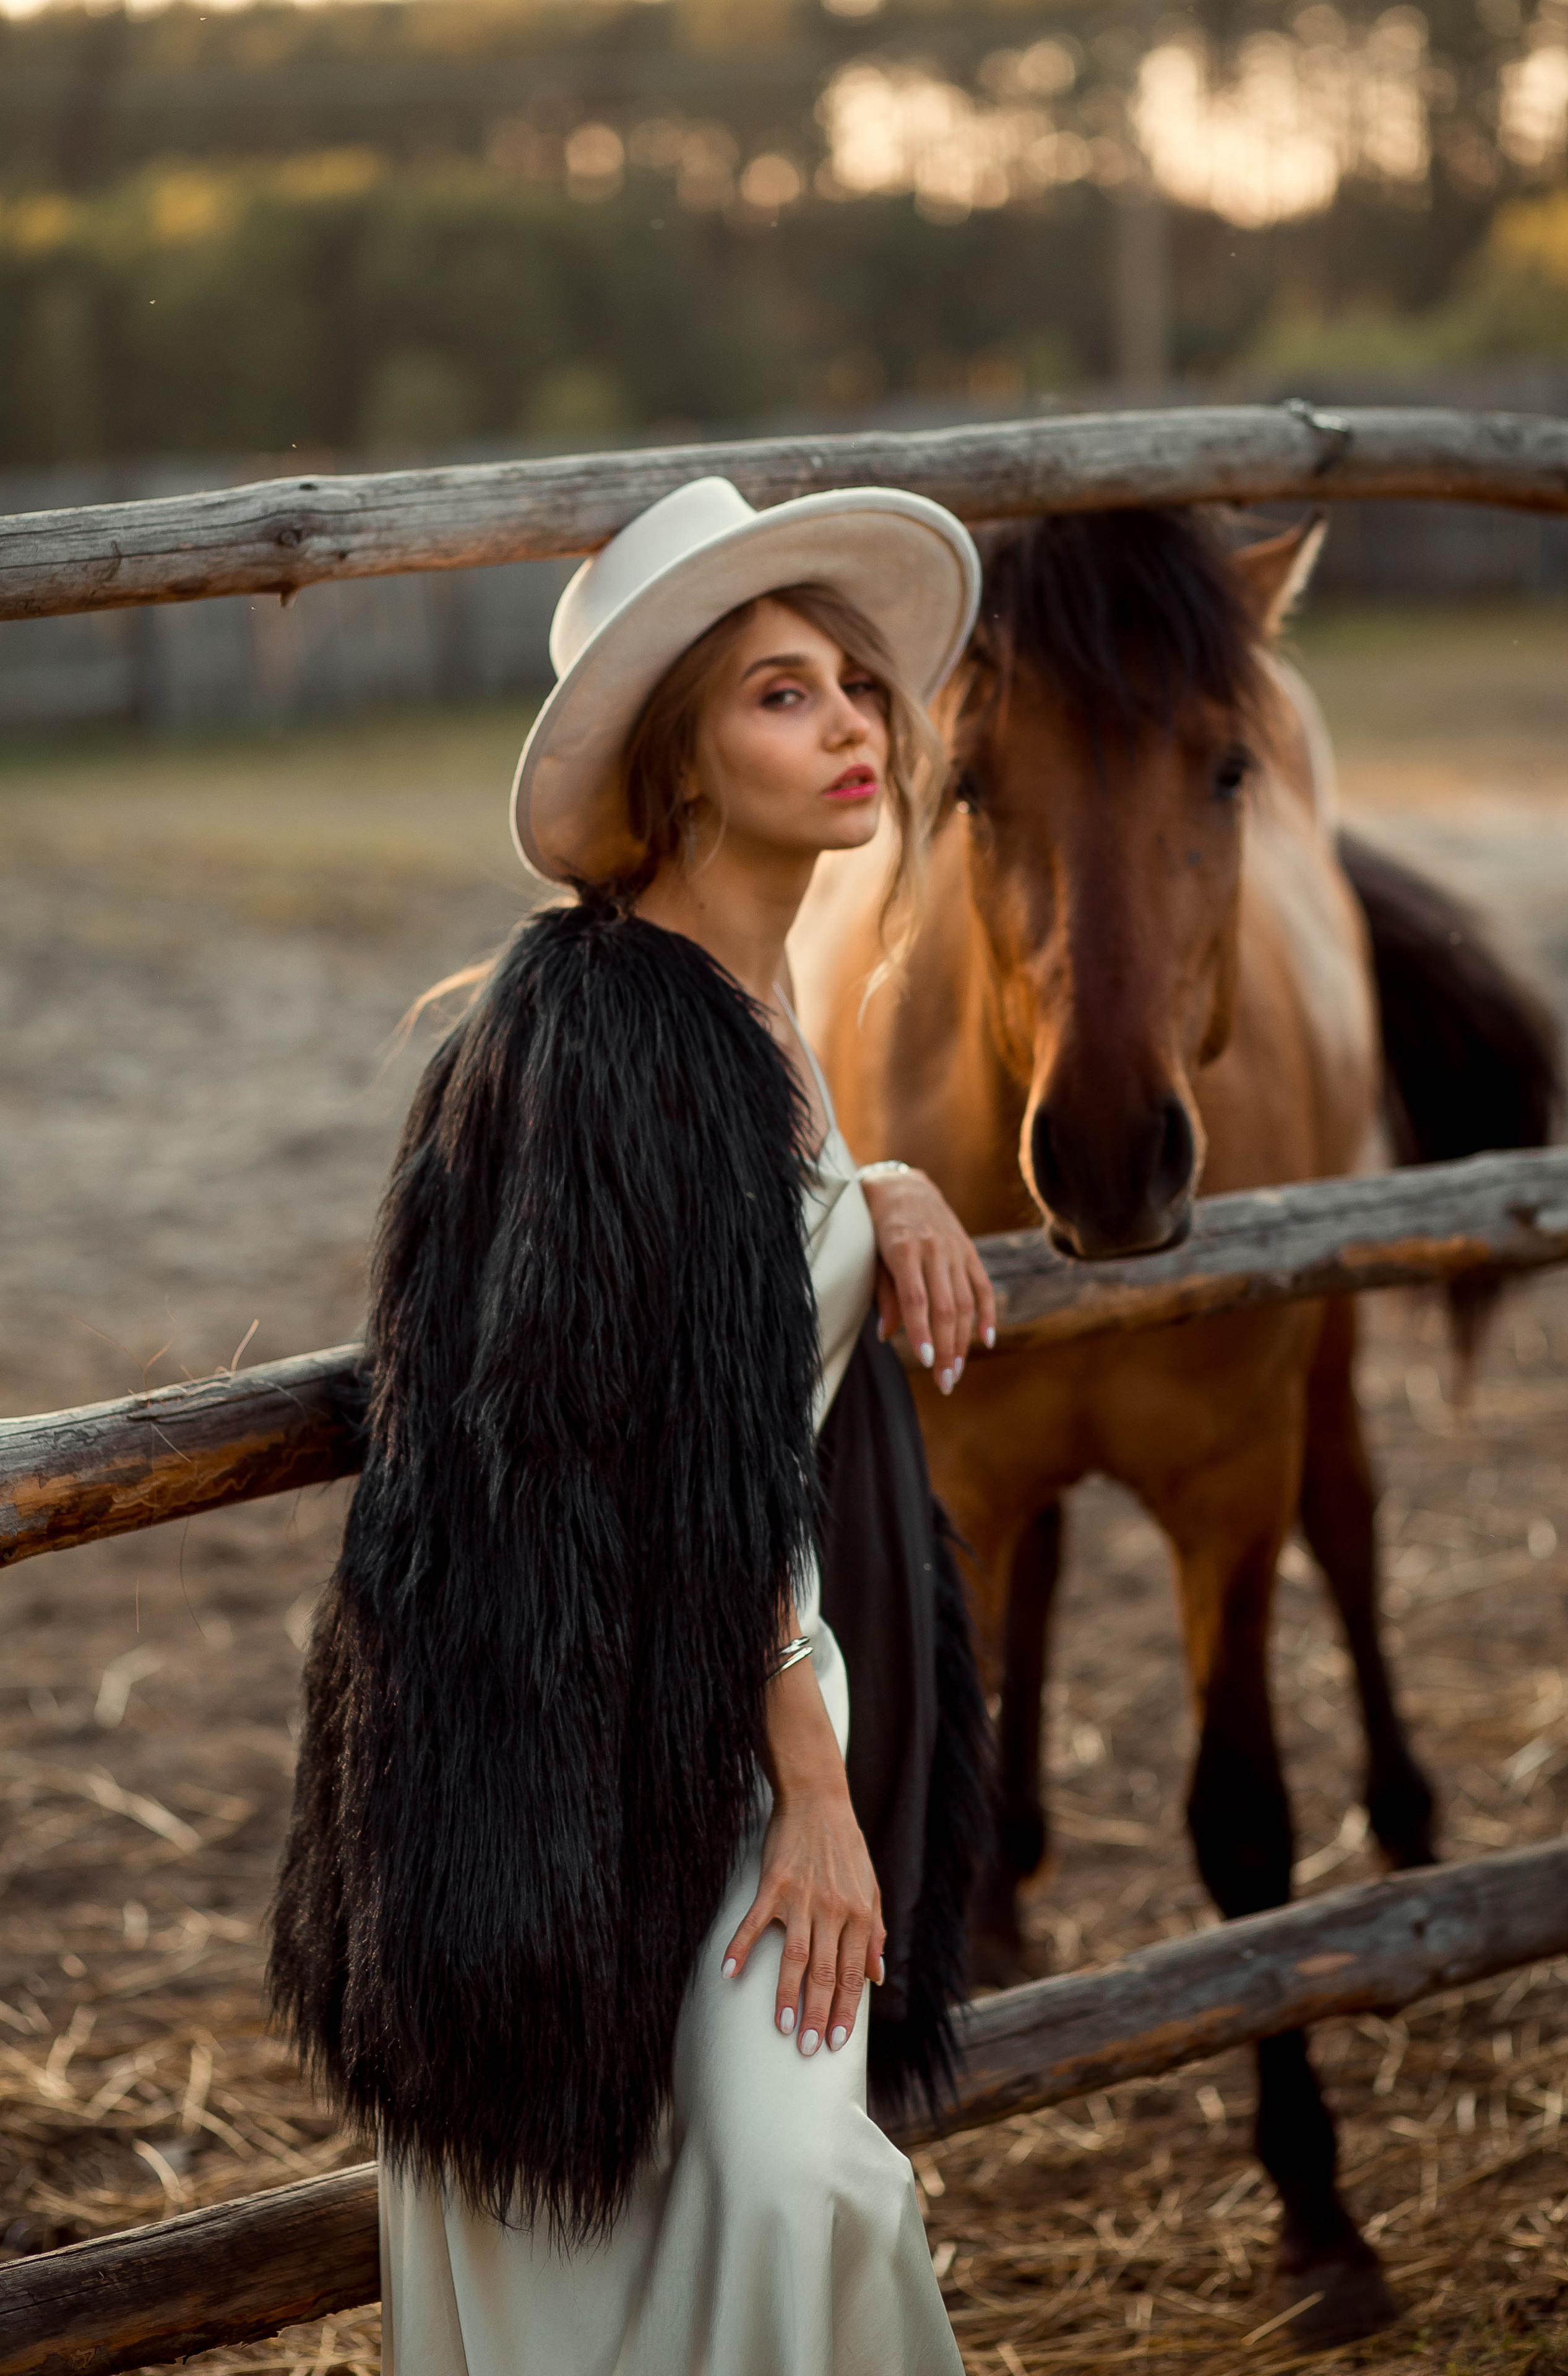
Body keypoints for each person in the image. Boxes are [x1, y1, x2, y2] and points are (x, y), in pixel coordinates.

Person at [269, 475, 997, 2376]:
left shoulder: (746, 1014)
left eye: (854, 684)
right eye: (782, 693)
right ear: (676, 764)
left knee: (768, 2173)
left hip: (734, 1697)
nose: (851, 722)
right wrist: (815, 1792)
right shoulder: (599, 1031)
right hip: (598, 1741)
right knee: (770, 2186)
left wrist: (885, 1185)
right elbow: (621, 1439)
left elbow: (737, 1290)